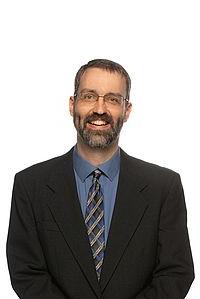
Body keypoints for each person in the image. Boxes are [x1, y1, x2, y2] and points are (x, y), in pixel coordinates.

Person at [6, 59, 194, 299]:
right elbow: (26, 272)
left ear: (127, 110)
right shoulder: (30, 185)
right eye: (89, 96)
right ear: (72, 105)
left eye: (113, 99)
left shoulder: (164, 187)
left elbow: (176, 272)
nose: (100, 109)